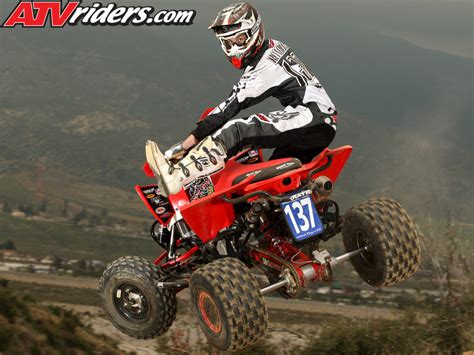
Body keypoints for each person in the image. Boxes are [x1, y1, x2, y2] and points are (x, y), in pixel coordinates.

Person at [146, 2, 337, 197]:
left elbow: (229, 107)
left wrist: (185, 145)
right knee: (271, 187)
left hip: (312, 116)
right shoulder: (273, 47)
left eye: (239, 38)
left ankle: (178, 176)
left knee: (236, 130)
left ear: (254, 31)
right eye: (228, 43)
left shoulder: (265, 66)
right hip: (316, 122)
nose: (234, 47)